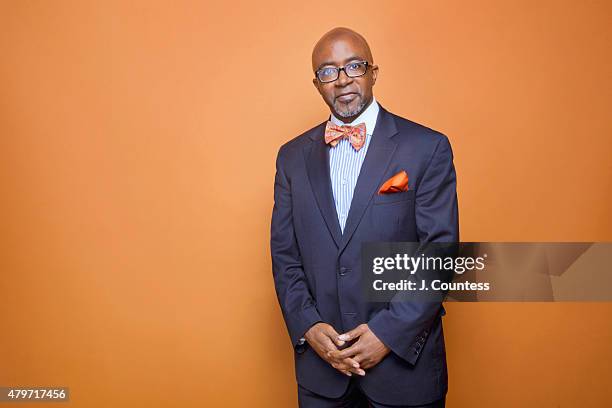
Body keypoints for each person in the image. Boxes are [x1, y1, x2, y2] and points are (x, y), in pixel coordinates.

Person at [270, 27, 459, 407]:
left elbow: (439, 254)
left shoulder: (427, 147)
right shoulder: (291, 158)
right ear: (316, 83)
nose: (341, 80)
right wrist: (308, 325)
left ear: (374, 72)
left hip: (406, 371)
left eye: (353, 66)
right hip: (322, 377)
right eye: (327, 71)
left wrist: (387, 334)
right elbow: (285, 256)